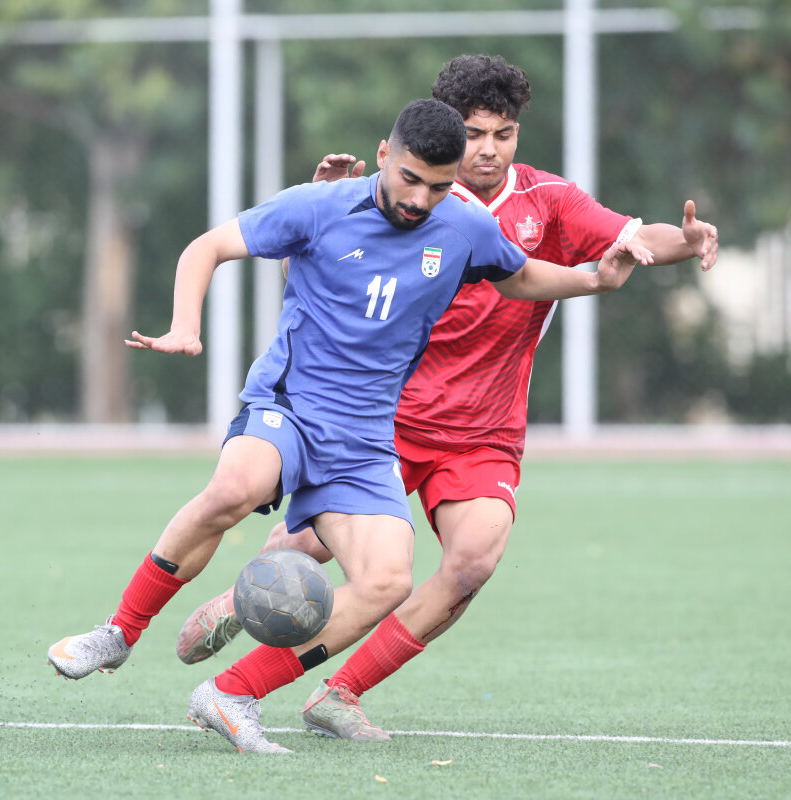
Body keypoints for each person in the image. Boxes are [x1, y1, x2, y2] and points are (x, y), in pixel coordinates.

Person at [46, 98, 650, 754]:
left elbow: (521, 276)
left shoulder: (465, 225)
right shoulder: (321, 205)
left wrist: (596, 280)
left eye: (438, 186)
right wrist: (185, 325)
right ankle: (118, 633)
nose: (419, 200)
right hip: (290, 405)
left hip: (364, 439)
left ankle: (231, 693)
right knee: (235, 488)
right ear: (385, 155)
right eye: (409, 178)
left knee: (387, 581)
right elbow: (208, 247)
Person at [173, 54, 720, 742]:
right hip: (387, 419)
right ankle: (244, 599)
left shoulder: (549, 201)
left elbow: (633, 239)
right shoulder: (413, 193)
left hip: (483, 431)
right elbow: (324, 272)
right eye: (475, 134)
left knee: (472, 563)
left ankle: (339, 693)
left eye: (504, 134)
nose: (488, 150)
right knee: (304, 547)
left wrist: (685, 241)